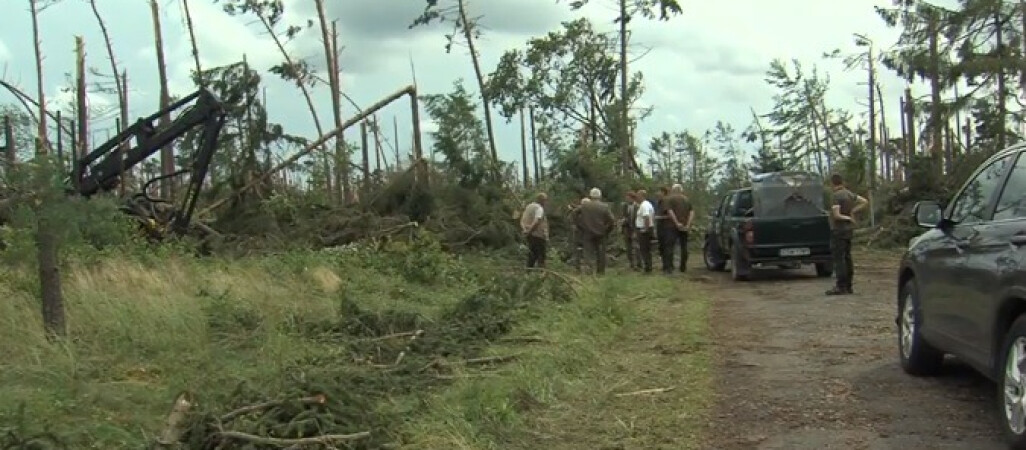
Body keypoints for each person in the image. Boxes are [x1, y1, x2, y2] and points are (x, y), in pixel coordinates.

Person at [825, 174, 868, 295]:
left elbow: (837, 215)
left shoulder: (836, 196)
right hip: (849, 230)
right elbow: (865, 201)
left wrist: (848, 217)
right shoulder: (848, 193)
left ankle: (841, 286)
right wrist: (854, 211)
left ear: (832, 184)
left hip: (839, 230)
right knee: (848, 257)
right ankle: (849, 285)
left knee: (839, 258)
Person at [576, 188, 616, 275]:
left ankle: (589, 271)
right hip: (601, 233)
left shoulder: (584, 206)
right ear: (600, 196)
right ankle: (600, 272)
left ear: (590, 196)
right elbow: (612, 220)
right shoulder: (604, 206)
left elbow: (573, 214)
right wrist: (607, 230)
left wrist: (579, 225)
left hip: (587, 233)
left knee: (588, 253)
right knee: (601, 253)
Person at [658, 183, 695, 273]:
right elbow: (692, 212)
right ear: (681, 190)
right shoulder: (687, 200)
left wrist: (676, 223)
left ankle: (669, 268)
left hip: (671, 227)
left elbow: (670, 212)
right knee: (684, 246)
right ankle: (683, 267)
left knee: (669, 247)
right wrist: (688, 224)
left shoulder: (670, 199)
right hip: (684, 226)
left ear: (674, 190)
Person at [520, 192, 549, 268]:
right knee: (541, 257)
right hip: (538, 236)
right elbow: (537, 221)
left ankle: (528, 273)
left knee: (532, 256)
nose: (546, 202)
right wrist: (530, 231)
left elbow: (522, 221)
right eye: (545, 200)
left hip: (530, 236)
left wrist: (525, 230)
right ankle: (542, 275)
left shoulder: (528, 207)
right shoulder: (539, 208)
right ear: (542, 200)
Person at [633, 189, 656, 273]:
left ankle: (648, 268)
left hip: (644, 229)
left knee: (644, 249)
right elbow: (652, 216)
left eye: (638, 196)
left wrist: (645, 228)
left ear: (642, 196)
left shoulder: (644, 205)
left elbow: (646, 217)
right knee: (645, 249)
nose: (637, 197)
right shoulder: (646, 204)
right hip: (646, 227)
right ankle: (648, 266)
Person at [621, 190, 639, 270]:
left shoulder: (638, 207)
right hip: (627, 229)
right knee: (628, 247)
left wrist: (636, 230)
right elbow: (624, 216)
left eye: (628, 198)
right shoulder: (625, 206)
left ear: (633, 198)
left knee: (636, 247)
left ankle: (638, 264)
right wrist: (623, 220)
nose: (627, 200)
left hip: (635, 228)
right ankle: (631, 263)